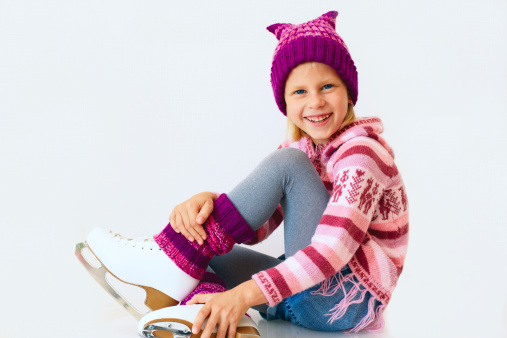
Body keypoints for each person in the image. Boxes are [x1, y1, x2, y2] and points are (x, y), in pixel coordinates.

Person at [76, 10, 409, 338]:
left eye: (327, 86)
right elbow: (257, 226)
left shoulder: (361, 153)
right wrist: (208, 202)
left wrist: (243, 295)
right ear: (285, 102)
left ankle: (170, 257)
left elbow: (331, 250)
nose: (316, 102)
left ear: (349, 91)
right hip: (303, 295)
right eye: (300, 92)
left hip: (340, 299)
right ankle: (218, 321)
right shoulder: (307, 150)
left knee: (287, 165)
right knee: (207, 253)